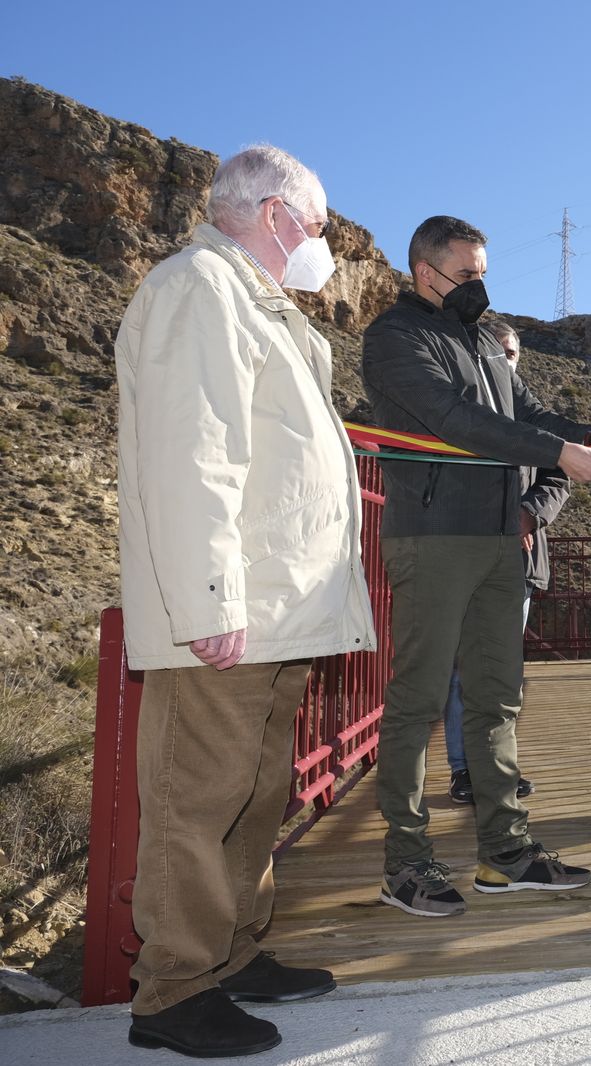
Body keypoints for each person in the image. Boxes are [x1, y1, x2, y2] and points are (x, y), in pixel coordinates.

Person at [116, 145, 374, 1057]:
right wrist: (209, 598)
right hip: (231, 609)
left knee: (256, 790)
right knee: (197, 798)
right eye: (318, 224)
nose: (323, 243)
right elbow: (194, 454)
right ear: (275, 215)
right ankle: (174, 991)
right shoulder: (199, 289)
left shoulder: (256, 304)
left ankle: (230, 952)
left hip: (274, 607)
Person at [362, 216, 591, 917]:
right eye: (467, 274)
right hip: (433, 539)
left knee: (496, 697)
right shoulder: (394, 338)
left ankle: (505, 854)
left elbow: (527, 409)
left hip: (498, 541)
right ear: (426, 273)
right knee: (419, 700)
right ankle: (406, 862)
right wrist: (557, 453)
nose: (479, 287)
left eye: (483, 273)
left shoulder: (484, 339)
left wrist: (587, 433)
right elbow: (456, 419)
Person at [443, 321, 570, 805]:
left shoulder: (533, 417)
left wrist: (529, 513)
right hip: (462, 556)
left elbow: (559, 477)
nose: (504, 360)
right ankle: (464, 769)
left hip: (519, 560)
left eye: (510, 353)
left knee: (501, 671)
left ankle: (497, 768)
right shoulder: (455, 410)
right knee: (463, 669)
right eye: (494, 352)